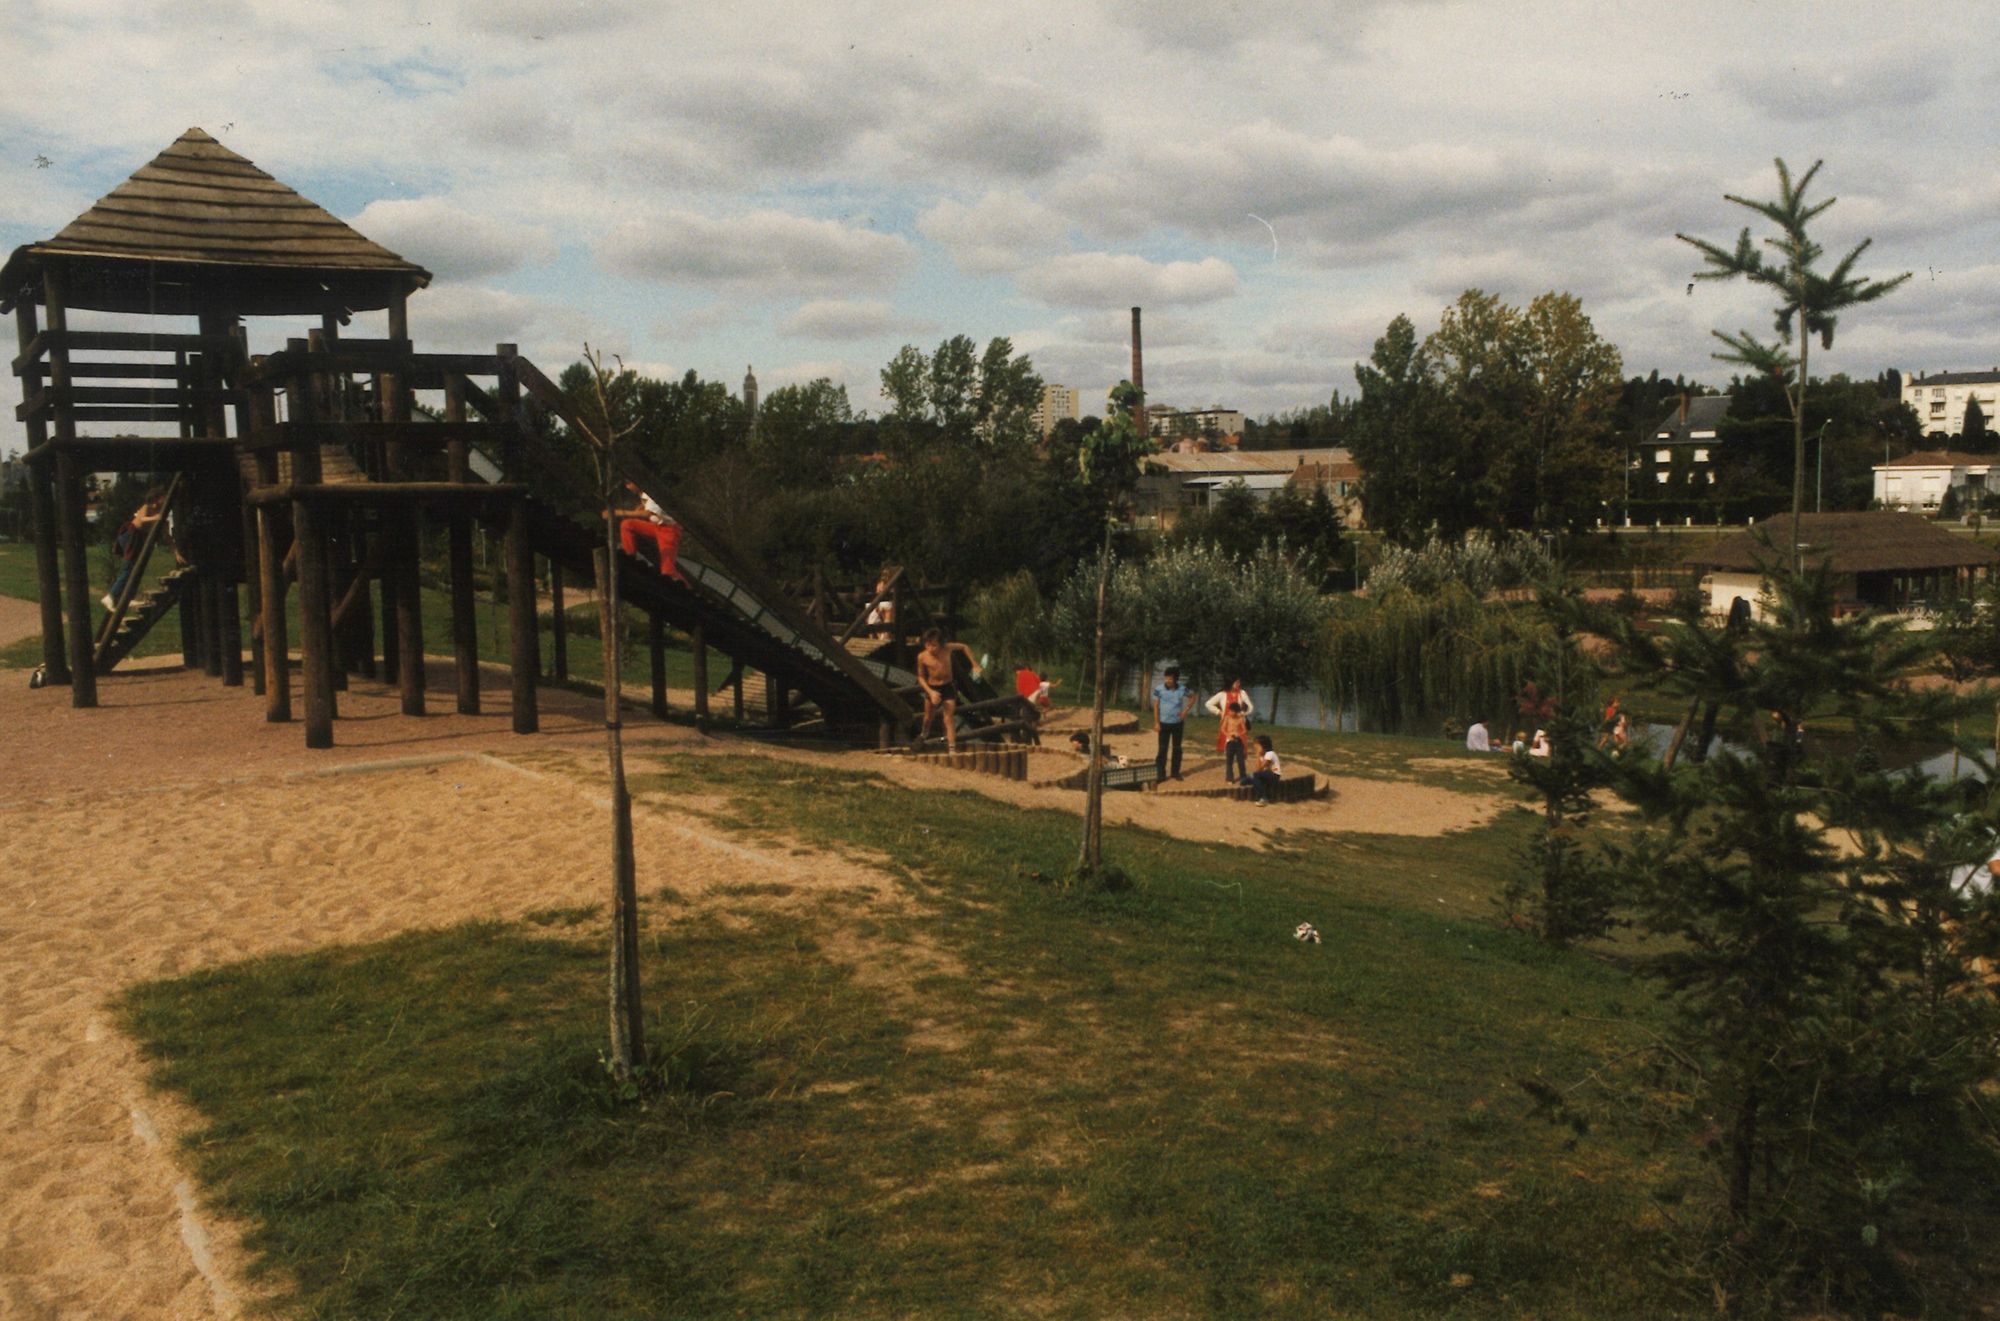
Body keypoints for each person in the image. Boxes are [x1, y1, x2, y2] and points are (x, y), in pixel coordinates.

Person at [103, 487, 173, 611]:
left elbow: (166, 536)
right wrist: (155, 518)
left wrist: (175, 550)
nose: (166, 499)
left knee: (135, 569)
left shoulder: (160, 513)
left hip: (138, 539)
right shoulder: (147, 507)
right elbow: (141, 519)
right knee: (129, 568)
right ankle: (110, 596)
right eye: (164, 497)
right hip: (131, 536)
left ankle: (128, 597)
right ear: (157, 498)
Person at [607, 480, 685, 582]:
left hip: (669, 530)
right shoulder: (642, 495)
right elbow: (643, 509)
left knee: (668, 570)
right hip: (656, 527)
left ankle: (690, 592)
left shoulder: (651, 493)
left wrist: (619, 513)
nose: (627, 487)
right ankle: (629, 557)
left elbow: (647, 513)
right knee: (627, 525)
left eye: (629, 483)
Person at [916, 627, 977, 753]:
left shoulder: (947, 648)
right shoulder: (922, 657)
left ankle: (952, 749)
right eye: (927, 645)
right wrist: (931, 692)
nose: (930, 648)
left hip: (948, 686)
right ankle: (924, 733)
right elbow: (921, 677)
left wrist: (974, 664)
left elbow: (964, 647)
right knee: (928, 718)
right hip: (932, 688)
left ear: (940, 644)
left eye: (934, 645)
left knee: (948, 718)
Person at [1151, 666, 1196, 780]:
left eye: (1170, 679)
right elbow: (1156, 706)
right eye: (1166, 678)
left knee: (1177, 748)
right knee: (1162, 749)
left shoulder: (1182, 689)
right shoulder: (1159, 689)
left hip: (1177, 724)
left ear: (1175, 679)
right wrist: (1156, 722)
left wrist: (1185, 712)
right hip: (1163, 723)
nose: (1167, 681)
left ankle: (1175, 772)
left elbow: (1192, 697)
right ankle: (1160, 774)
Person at [1217, 694, 1251, 783]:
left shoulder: (1240, 719)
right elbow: (1222, 728)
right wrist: (1228, 734)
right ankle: (1229, 778)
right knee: (1229, 760)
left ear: (1236, 712)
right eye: (1230, 711)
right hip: (1229, 741)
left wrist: (1239, 734)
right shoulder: (1227, 718)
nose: (1231, 713)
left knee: (1240, 760)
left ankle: (1243, 776)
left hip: (1238, 740)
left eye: (1233, 711)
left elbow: (1244, 730)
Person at [1248, 734, 1283, 804]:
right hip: (1267, 774)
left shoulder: (1270, 754)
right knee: (1246, 780)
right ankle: (1258, 796)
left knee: (1255, 776)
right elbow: (1258, 769)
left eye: (1257, 745)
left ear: (1263, 745)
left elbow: (1259, 769)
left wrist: (1258, 755)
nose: (1255, 746)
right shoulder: (1263, 755)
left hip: (1274, 775)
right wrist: (1259, 756)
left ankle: (1263, 798)